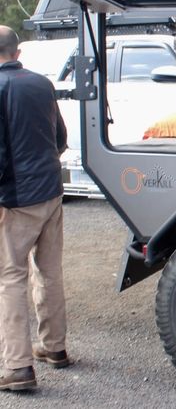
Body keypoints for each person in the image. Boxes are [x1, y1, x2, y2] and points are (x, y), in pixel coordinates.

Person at [0, 25, 69, 391]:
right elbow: (60, 137)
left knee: (10, 276)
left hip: (16, 199)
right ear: (17, 52)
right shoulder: (42, 83)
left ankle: (18, 367)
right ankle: (54, 348)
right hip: (51, 191)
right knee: (49, 270)